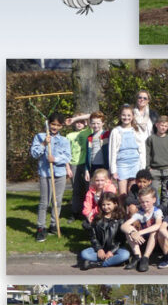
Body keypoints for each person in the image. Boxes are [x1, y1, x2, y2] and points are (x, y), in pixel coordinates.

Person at [31, 112, 72, 241]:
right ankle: (40, 227)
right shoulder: (40, 137)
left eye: (58, 125)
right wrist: (43, 144)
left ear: (61, 127)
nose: (55, 127)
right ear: (48, 124)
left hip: (59, 174)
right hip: (45, 174)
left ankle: (54, 225)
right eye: (53, 124)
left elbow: (67, 157)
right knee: (44, 202)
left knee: (57, 201)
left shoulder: (64, 140)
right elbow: (34, 154)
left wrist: (55, 159)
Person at [80, 192, 130, 270]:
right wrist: (99, 249)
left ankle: (98, 264)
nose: (105, 207)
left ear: (115, 204)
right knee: (84, 254)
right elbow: (93, 237)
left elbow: (121, 240)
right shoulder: (97, 218)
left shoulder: (121, 219)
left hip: (115, 249)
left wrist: (111, 251)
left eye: (108, 204)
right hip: (101, 248)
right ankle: (114, 262)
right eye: (103, 205)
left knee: (125, 255)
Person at [121, 186, 163, 272]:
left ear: (154, 200)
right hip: (142, 240)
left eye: (147, 201)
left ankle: (145, 258)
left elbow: (158, 225)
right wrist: (132, 232)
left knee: (154, 231)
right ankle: (137, 256)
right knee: (128, 230)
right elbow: (123, 226)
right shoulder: (140, 213)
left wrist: (139, 232)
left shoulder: (157, 211)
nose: (145, 204)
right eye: (142, 202)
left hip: (155, 242)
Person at [64, 113, 91, 220]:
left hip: (85, 164)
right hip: (73, 164)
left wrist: (76, 118)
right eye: (77, 123)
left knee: (87, 188)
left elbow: (91, 116)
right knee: (76, 189)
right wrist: (67, 167)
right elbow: (65, 153)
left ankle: (87, 212)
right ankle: (75, 212)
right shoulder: (69, 136)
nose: (79, 124)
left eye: (81, 122)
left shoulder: (88, 131)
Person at [146, 115, 168, 202]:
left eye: (166, 126)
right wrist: (148, 167)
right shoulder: (151, 139)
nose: (163, 128)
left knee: (166, 193)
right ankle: (156, 211)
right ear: (156, 125)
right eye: (162, 125)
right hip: (155, 170)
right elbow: (148, 154)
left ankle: (166, 211)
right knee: (155, 193)